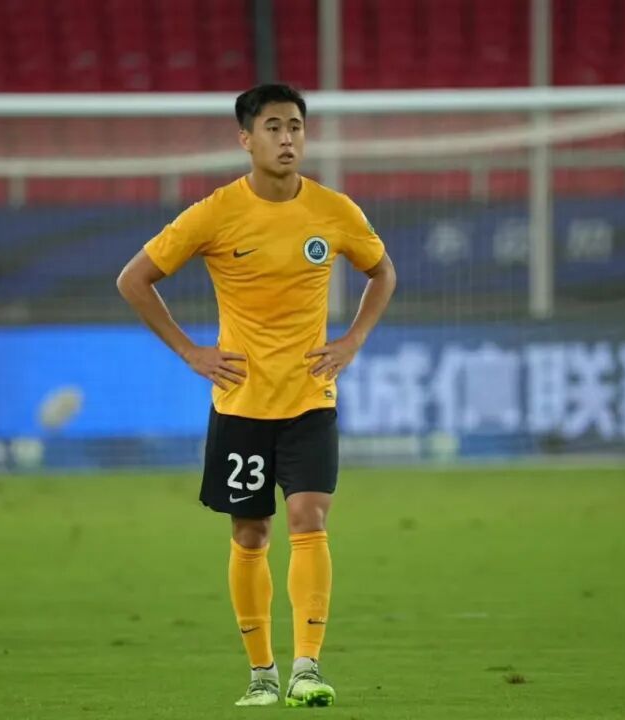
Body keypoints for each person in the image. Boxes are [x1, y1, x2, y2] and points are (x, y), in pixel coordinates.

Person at [116, 83, 397, 708]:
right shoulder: (215, 213)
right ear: (246, 139)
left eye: (295, 126)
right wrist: (190, 352)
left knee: (309, 518)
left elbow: (382, 271)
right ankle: (261, 674)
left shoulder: (334, 210)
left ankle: (306, 668)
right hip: (241, 404)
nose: (287, 138)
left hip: (310, 399)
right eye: (273, 127)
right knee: (250, 534)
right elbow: (134, 279)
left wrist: (352, 340)